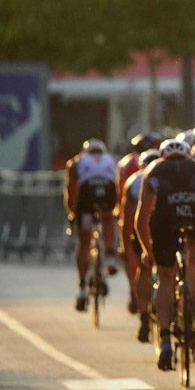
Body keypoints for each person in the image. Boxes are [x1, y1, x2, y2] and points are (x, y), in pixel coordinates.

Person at [137, 139, 195, 372]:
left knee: (166, 278)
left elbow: (141, 218)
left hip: (164, 222)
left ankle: (164, 339)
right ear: (186, 155)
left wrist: (146, 249)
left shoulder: (153, 169)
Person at [64, 138, 119, 311]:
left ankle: (81, 288)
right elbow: (118, 186)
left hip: (87, 196)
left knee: (85, 241)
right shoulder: (111, 160)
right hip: (108, 192)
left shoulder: (77, 161)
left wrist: (73, 213)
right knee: (108, 217)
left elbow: (71, 190)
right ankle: (110, 255)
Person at [120, 148, 159, 341]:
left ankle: (144, 314)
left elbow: (127, 219)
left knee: (144, 268)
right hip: (164, 226)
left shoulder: (134, 180)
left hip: (141, 227)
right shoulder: (165, 175)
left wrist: (125, 246)